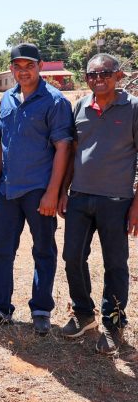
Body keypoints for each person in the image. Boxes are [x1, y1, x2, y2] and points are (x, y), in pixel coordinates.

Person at [0, 43, 73, 334]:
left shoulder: (55, 102)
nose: (23, 72)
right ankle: (0, 306)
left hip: (39, 190)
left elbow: (63, 148)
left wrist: (53, 191)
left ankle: (41, 308)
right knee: (2, 250)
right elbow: (3, 141)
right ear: (11, 68)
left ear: (40, 66)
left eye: (29, 66)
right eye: (17, 66)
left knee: (43, 250)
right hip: (8, 189)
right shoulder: (7, 99)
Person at [59, 53, 138, 354]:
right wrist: (65, 190)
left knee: (115, 264)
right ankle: (83, 313)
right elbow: (73, 152)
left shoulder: (132, 108)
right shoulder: (80, 106)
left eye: (105, 73)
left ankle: (114, 323)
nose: (98, 79)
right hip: (80, 197)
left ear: (119, 75)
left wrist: (136, 205)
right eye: (92, 74)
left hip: (117, 200)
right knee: (72, 257)